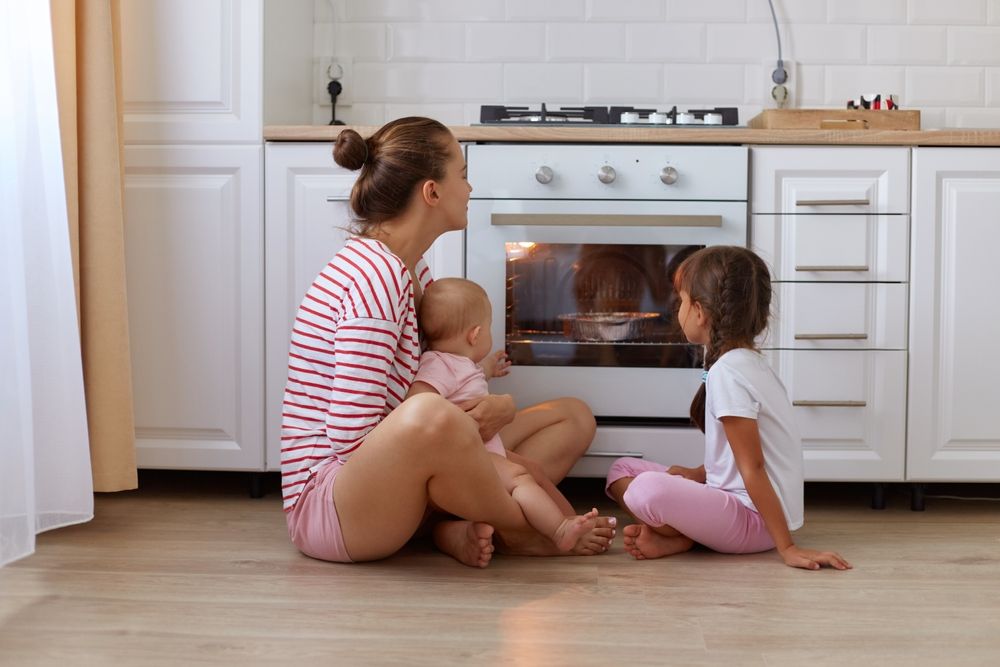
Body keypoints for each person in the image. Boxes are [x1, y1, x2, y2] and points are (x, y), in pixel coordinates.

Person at [280, 116, 610, 568]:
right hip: (333, 509)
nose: (470, 188)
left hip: (394, 476)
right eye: (463, 175)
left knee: (571, 416)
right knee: (439, 419)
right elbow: (349, 436)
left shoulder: (413, 270)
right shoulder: (376, 279)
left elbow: (434, 380)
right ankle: (525, 531)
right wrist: (471, 438)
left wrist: (491, 417)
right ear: (431, 192)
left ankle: (451, 528)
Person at [605, 246, 852, 571]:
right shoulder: (746, 363)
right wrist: (698, 474)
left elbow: (754, 467)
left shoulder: (728, 373)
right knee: (622, 471)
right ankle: (688, 534)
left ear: (699, 312)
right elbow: (741, 456)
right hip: (741, 506)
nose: (677, 310)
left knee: (645, 490)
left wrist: (788, 548)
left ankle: (684, 538)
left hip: (754, 520)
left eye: (681, 300)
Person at [408, 277, 603, 552]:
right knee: (519, 480)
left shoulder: (456, 363)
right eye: (488, 328)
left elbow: (466, 375)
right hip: (468, 457)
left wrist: (488, 368)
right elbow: (418, 404)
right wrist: (456, 422)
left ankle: (562, 523)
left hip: (483, 449)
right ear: (475, 335)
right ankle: (556, 531)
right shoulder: (437, 366)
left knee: (529, 471)